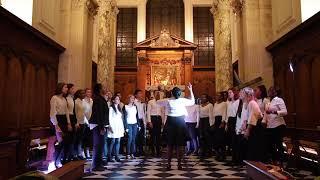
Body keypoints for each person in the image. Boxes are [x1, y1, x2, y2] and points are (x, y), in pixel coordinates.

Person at [156, 83, 195, 170]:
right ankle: (178, 164)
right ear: (180, 94)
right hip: (179, 122)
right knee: (178, 145)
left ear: (171, 93)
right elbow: (192, 101)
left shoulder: (168, 100)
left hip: (171, 122)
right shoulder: (181, 100)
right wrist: (191, 90)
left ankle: (169, 164)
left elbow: (157, 102)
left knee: (171, 145)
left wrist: (159, 93)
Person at [49, 82, 72, 167]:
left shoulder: (64, 99)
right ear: (60, 88)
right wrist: (56, 125)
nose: (67, 89)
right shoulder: (54, 98)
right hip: (57, 121)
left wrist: (69, 123)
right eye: (65, 87)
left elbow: (66, 112)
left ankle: (64, 160)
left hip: (64, 121)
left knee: (67, 141)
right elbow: (52, 113)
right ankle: (56, 161)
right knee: (61, 141)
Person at [264, 86, 287, 165]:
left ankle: (281, 163)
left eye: (271, 90)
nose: (269, 91)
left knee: (278, 144)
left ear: (275, 92)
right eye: (269, 90)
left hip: (278, 125)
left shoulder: (278, 99)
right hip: (270, 126)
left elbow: (285, 112)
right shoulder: (269, 101)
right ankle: (274, 161)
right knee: (270, 145)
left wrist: (274, 112)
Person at [89, 83, 109, 171]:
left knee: (100, 145)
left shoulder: (100, 98)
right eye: (104, 87)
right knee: (98, 145)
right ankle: (95, 165)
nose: (105, 89)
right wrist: (101, 127)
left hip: (99, 124)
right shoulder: (98, 99)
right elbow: (99, 114)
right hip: (97, 125)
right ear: (100, 89)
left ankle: (99, 163)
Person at [243, 87, 263, 161]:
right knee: (251, 146)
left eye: (244, 94)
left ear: (249, 95)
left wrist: (248, 130)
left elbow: (252, 118)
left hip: (256, 127)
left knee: (254, 145)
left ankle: (255, 164)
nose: (243, 96)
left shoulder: (252, 103)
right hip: (254, 126)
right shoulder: (249, 103)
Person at [254, 85, 270, 162]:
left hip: (262, 122)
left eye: (256, 90)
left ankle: (263, 158)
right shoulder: (255, 100)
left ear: (261, 92)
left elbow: (267, 112)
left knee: (262, 140)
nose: (254, 92)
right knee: (256, 140)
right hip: (255, 121)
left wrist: (264, 121)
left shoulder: (265, 100)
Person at [107, 95, 125, 162]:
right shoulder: (111, 108)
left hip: (119, 126)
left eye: (118, 99)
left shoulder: (119, 108)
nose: (118, 100)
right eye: (116, 99)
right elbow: (110, 118)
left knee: (118, 141)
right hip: (113, 126)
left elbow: (120, 119)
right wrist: (110, 126)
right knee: (112, 141)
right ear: (113, 100)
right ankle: (109, 156)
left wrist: (122, 127)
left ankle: (116, 156)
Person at [234, 89, 248, 166]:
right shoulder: (240, 104)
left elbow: (246, 118)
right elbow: (238, 117)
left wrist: (242, 128)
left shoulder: (247, 103)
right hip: (239, 128)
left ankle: (243, 161)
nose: (239, 94)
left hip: (244, 129)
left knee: (243, 146)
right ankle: (239, 161)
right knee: (238, 146)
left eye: (241, 93)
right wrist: (237, 127)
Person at [147, 91, 163, 157]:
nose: (158, 95)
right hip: (152, 118)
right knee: (152, 136)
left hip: (159, 119)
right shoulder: (150, 102)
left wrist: (163, 122)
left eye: (159, 94)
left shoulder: (161, 102)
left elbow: (162, 112)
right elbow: (148, 112)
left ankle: (158, 151)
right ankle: (153, 151)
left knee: (158, 136)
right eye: (157, 94)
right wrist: (149, 121)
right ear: (154, 95)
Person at [123, 95, 140, 159]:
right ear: (128, 99)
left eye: (133, 98)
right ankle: (127, 153)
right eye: (131, 98)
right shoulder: (125, 107)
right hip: (128, 124)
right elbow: (124, 117)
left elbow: (137, 116)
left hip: (134, 124)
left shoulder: (135, 106)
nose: (132, 99)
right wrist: (126, 126)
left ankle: (132, 153)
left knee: (133, 139)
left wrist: (138, 124)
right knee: (129, 138)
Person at [212, 92, 227, 161]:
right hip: (216, 121)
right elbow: (214, 113)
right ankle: (217, 153)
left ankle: (223, 154)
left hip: (221, 120)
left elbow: (224, 113)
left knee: (221, 138)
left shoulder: (224, 104)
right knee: (215, 139)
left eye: (218, 96)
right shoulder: (215, 104)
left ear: (221, 97)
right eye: (216, 95)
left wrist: (223, 122)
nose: (217, 97)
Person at [226, 88, 240, 162]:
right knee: (231, 140)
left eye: (230, 92)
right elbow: (228, 113)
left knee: (235, 140)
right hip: (230, 120)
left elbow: (238, 114)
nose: (229, 94)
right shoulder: (229, 102)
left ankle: (236, 158)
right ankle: (233, 158)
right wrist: (227, 124)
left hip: (235, 120)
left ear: (234, 93)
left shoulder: (238, 102)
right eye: (228, 93)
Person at [198, 94, 214, 158]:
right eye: (202, 97)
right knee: (201, 136)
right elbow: (199, 115)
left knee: (207, 137)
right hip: (201, 121)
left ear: (207, 98)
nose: (202, 98)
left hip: (207, 121)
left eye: (204, 97)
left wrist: (211, 124)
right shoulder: (200, 105)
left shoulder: (210, 105)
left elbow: (211, 115)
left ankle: (209, 152)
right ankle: (203, 151)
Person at [74, 89, 86, 160]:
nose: (84, 94)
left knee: (81, 139)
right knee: (76, 139)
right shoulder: (76, 102)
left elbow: (83, 113)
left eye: (84, 93)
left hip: (83, 122)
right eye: (82, 93)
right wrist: (76, 122)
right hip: (78, 123)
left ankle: (79, 153)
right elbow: (75, 113)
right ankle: (75, 154)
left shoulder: (82, 102)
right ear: (78, 94)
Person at [134, 89, 147, 156]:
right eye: (139, 93)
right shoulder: (134, 102)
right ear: (136, 95)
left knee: (141, 136)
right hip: (136, 120)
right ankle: (135, 151)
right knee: (137, 136)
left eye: (141, 93)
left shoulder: (142, 103)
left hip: (141, 120)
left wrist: (145, 122)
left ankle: (141, 150)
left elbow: (143, 113)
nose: (141, 95)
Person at [83, 88, 93, 159]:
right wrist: (86, 122)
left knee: (90, 138)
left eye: (90, 92)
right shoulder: (83, 101)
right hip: (84, 121)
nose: (89, 93)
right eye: (88, 92)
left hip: (91, 120)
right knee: (84, 137)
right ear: (85, 93)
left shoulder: (92, 100)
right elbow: (82, 112)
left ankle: (88, 151)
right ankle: (83, 152)